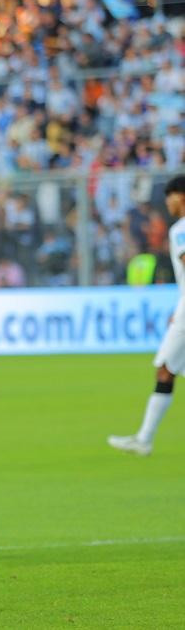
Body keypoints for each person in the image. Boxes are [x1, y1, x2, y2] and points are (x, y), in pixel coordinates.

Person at [108, 175, 185, 456]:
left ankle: (144, 440)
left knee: (165, 369)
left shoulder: (181, 230)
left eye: (170, 196)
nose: (168, 203)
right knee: (167, 370)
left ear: (181, 196)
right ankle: (144, 438)